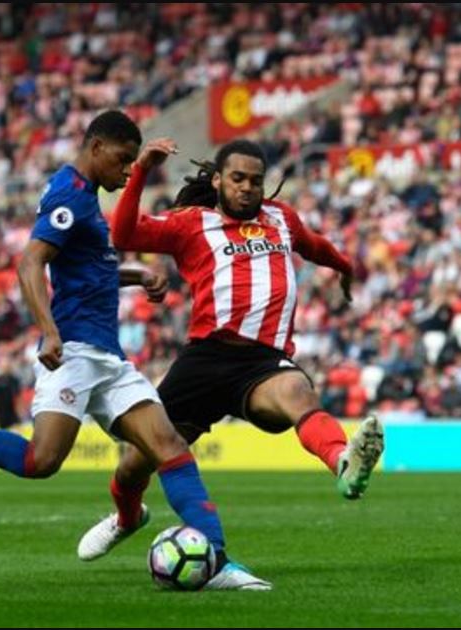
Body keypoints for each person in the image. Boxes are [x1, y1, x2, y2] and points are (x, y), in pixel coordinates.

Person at [0, 110, 271, 590]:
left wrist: (136, 276)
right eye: (123, 160)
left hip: (108, 357)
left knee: (168, 445)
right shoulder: (69, 193)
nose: (128, 171)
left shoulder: (87, 199)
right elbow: (31, 263)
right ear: (96, 147)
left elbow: (86, 269)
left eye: (134, 162)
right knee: (39, 462)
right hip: (73, 350)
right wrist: (48, 332)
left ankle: (216, 559)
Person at [76, 139, 385, 561]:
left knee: (299, 394)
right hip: (205, 358)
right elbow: (124, 233)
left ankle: (343, 464)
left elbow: (314, 245)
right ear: (219, 180)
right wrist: (143, 170)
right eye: (238, 179)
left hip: (261, 363)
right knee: (134, 465)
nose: (247, 188)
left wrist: (344, 268)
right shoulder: (191, 224)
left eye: (256, 181)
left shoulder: (282, 219)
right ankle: (127, 517)